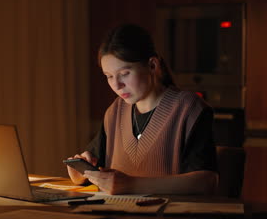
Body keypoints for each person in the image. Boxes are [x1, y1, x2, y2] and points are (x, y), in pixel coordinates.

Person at [66, 23, 218, 195]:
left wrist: (132, 185)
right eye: (109, 76)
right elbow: (92, 168)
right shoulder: (115, 111)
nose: (116, 85)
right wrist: (80, 173)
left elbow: (206, 182)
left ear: (152, 65)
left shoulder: (189, 109)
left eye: (124, 74)